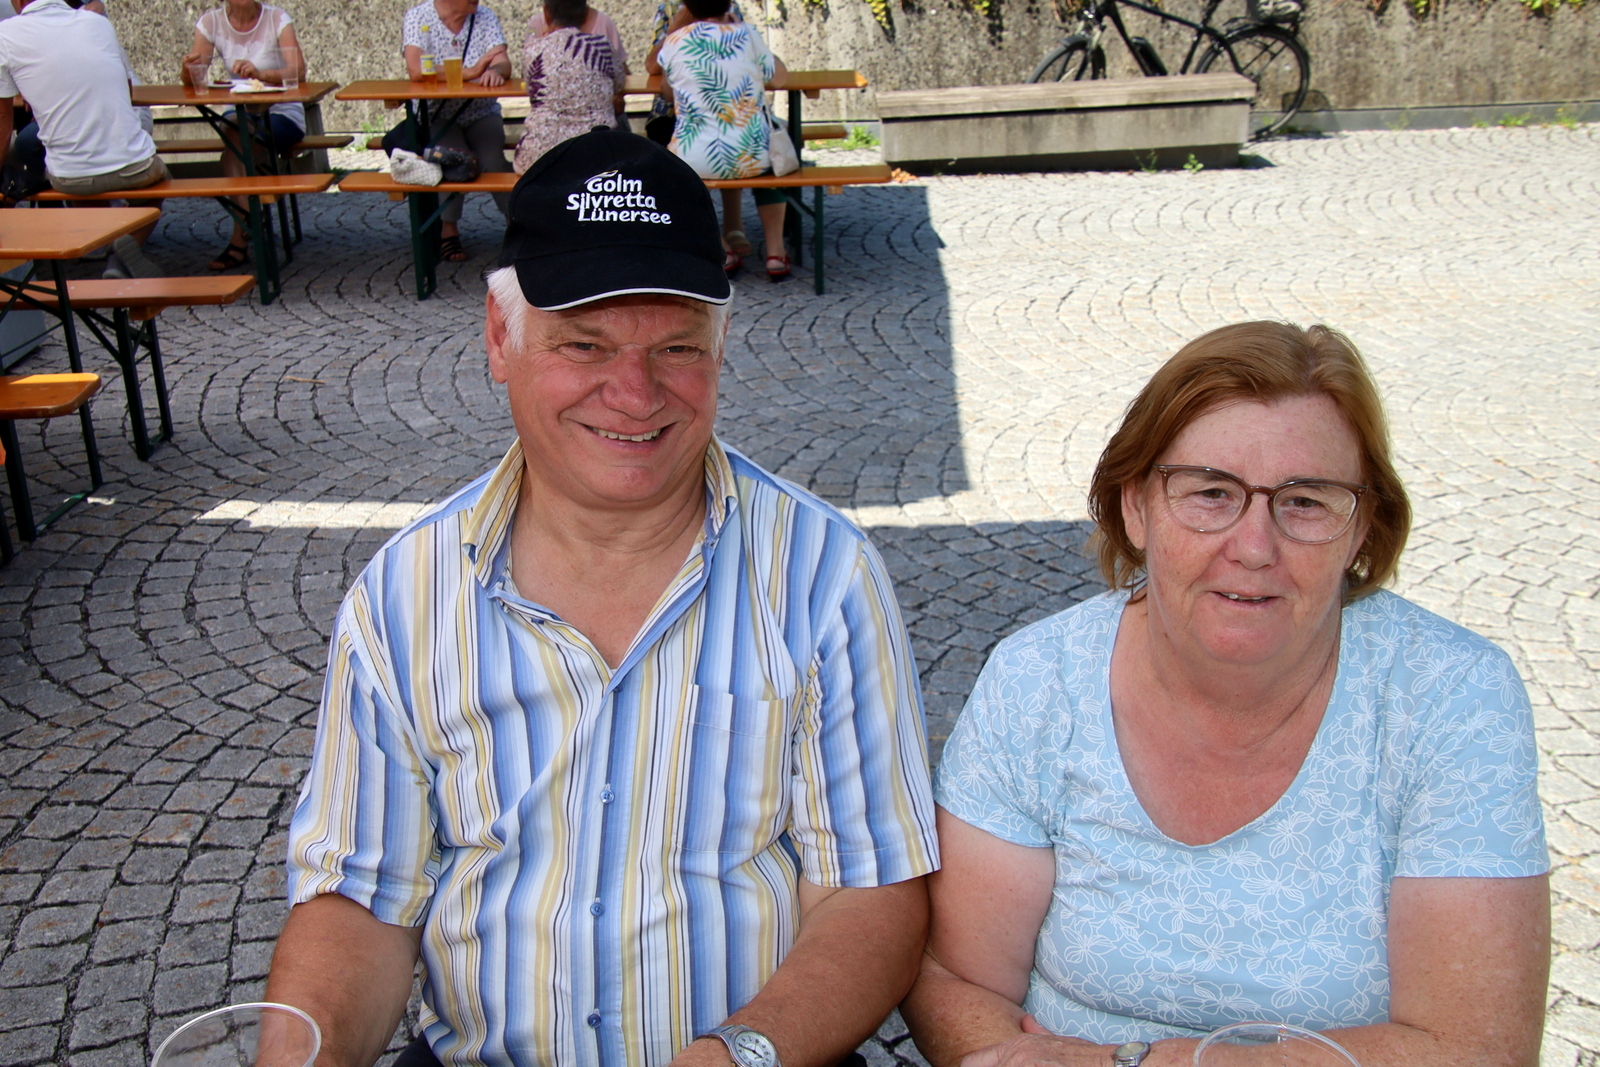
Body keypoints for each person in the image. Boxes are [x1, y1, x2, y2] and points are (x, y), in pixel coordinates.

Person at [265, 128, 939, 1067]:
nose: (635, 392)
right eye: (585, 344)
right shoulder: (404, 593)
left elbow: (870, 892)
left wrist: (736, 1054)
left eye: (677, 348)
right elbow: (360, 902)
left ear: (721, 348)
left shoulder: (825, 573)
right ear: (500, 337)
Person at [901, 321, 1550, 1067]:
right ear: (1136, 507)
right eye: (1211, 493)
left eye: (1306, 501)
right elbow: (955, 977)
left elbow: (1476, 1048)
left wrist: (1136, 1064)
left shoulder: (1451, 697)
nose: (1254, 546)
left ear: (1361, 528)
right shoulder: (1037, 681)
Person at [0, 0, 165, 279]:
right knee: (161, 182)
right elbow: (126, 91)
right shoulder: (97, 23)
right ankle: (124, 247)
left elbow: (3, 120)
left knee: (53, 160)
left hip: (69, 177)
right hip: (134, 166)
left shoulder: (5, 34)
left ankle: (109, 240)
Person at [646, 0, 790, 281]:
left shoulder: (674, 41)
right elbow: (780, 79)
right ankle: (776, 251)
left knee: (674, 176)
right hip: (753, 155)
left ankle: (722, 249)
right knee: (773, 165)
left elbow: (667, 93)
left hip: (695, 158)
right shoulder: (748, 34)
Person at [180, 0, 308, 271]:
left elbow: (298, 70)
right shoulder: (211, 22)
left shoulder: (277, 18)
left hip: (281, 112)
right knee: (235, 137)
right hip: (240, 111)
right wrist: (187, 69)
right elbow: (194, 77)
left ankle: (241, 237)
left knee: (235, 150)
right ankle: (249, 220)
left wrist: (262, 74)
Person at [401, 0, 514, 262]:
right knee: (454, 159)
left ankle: (517, 225)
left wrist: (495, 70)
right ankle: (448, 229)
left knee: (493, 161)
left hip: (481, 111)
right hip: (438, 114)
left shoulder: (484, 16)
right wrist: (470, 72)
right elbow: (416, 70)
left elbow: (503, 62)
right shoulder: (419, 17)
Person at [512, 0, 623, 173]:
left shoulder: (531, 50)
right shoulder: (602, 47)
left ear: (546, 14)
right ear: (585, 15)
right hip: (596, 154)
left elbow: (532, 91)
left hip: (537, 157)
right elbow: (619, 83)